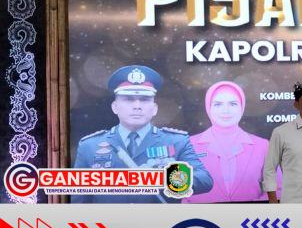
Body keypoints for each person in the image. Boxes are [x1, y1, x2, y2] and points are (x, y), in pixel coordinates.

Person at [72, 65, 213, 203]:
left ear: (155, 108)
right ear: (115, 107)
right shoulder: (90, 146)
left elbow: (204, 180)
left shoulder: (177, 142)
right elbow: (79, 201)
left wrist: (164, 179)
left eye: (145, 99)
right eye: (128, 99)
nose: (137, 106)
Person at [182, 81, 280, 203]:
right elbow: (178, 193)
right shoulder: (187, 145)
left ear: (242, 107)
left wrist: (253, 208)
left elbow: (277, 189)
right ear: (208, 107)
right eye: (218, 104)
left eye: (233, 104)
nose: (226, 110)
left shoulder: (262, 146)